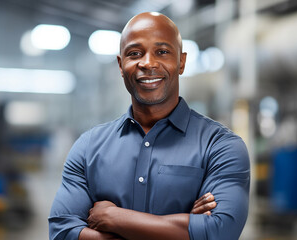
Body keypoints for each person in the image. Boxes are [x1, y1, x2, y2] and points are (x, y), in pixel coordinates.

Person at [49, 12, 250, 240]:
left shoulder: (221, 146)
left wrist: (113, 218)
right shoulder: (88, 147)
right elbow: (62, 232)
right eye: (135, 53)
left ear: (181, 62)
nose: (147, 63)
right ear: (120, 64)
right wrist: (185, 228)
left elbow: (219, 231)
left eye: (162, 52)